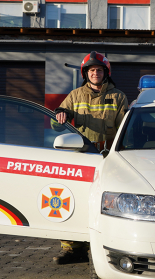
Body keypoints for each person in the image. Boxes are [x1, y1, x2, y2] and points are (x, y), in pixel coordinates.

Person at [51, 51, 129, 264]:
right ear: (86, 73)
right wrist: (61, 115)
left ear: (106, 73)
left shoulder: (119, 96)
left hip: (110, 159)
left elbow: (126, 128)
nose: (95, 73)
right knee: (73, 200)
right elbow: (56, 123)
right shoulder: (75, 95)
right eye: (92, 70)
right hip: (82, 156)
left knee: (109, 203)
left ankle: (110, 246)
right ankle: (72, 249)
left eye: (99, 70)